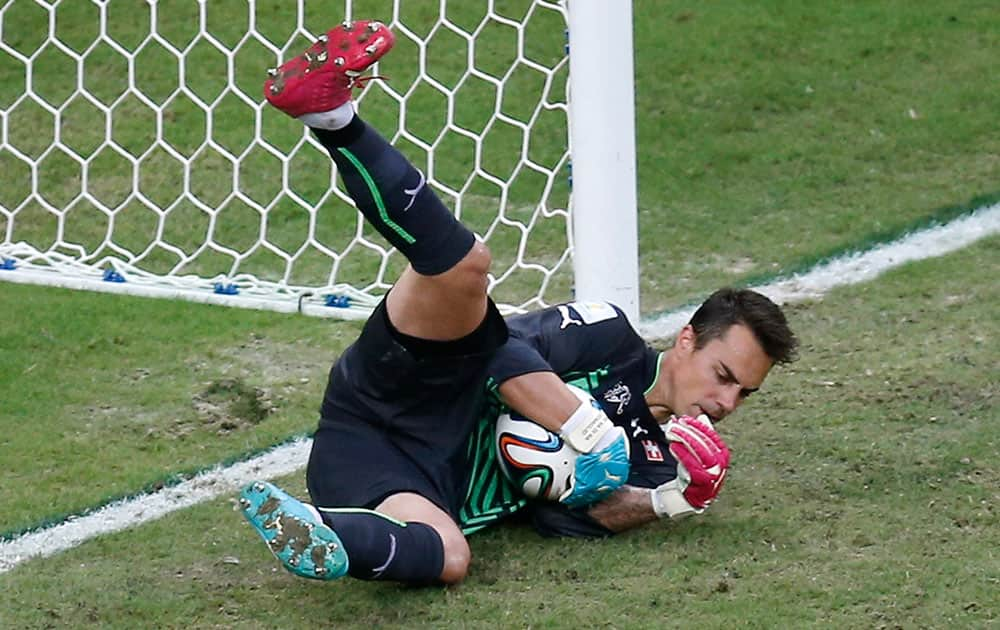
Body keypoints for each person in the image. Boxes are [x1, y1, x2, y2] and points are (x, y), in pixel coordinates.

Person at [239, 19, 798, 586]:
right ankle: (332, 118)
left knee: (449, 557)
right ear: (687, 339)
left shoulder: (660, 463)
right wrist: (587, 427)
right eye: (723, 374)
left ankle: (321, 530)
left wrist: (670, 500)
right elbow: (504, 351)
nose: (727, 401)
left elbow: (562, 519)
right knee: (465, 271)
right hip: (408, 391)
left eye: (743, 393)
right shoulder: (608, 334)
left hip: (391, 474)